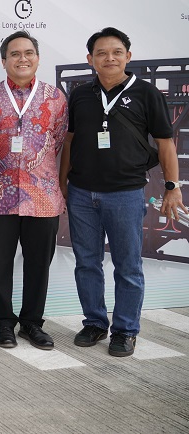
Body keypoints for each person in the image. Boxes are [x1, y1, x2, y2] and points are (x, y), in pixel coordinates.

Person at [60, 27, 183, 357]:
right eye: (101, 53)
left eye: (116, 52)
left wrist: (172, 186)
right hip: (82, 193)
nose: (109, 58)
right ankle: (95, 323)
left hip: (125, 194)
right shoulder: (80, 95)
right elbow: (69, 141)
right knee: (87, 263)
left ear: (128, 56)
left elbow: (165, 143)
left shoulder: (146, 93)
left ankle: (126, 330)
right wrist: (62, 183)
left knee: (127, 266)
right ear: (90, 59)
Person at [0, 31, 67, 350]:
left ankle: (32, 323)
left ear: (38, 59)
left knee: (38, 266)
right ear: (4, 61)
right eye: (15, 54)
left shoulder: (55, 98)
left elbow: (58, 142)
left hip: (43, 197)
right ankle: (4, 323)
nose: (22, 59)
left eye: (28, 53)